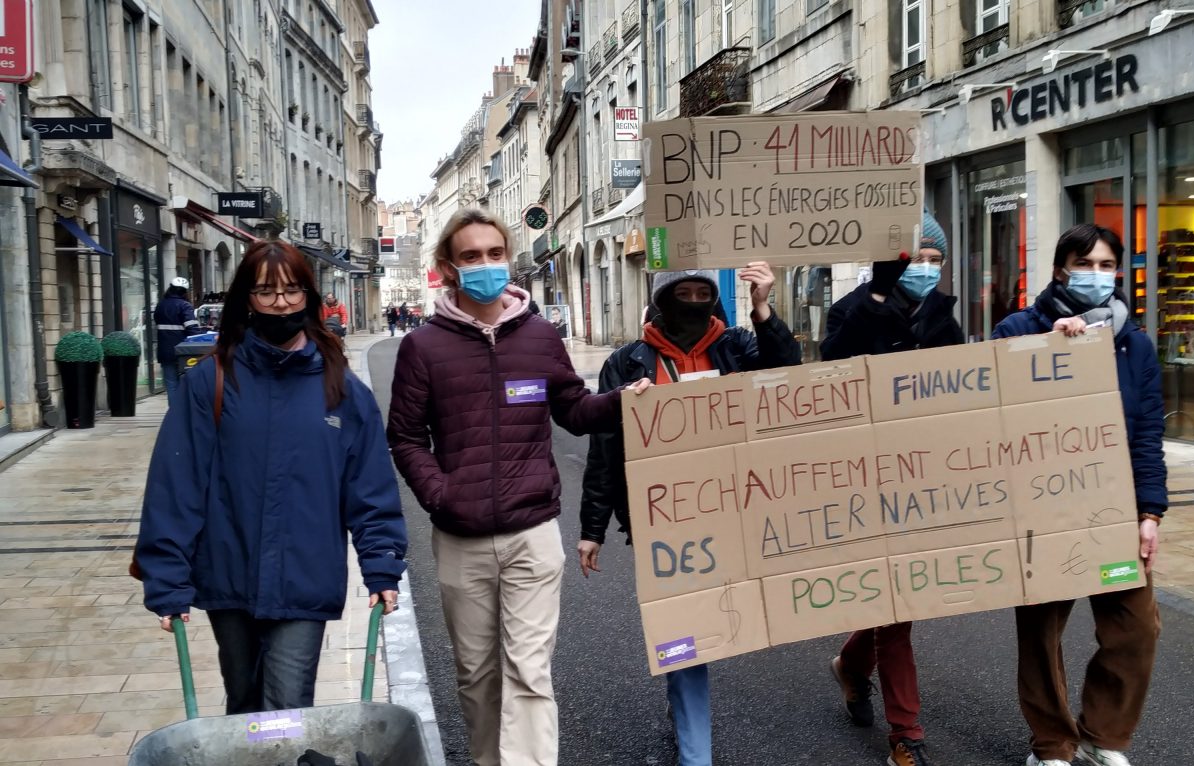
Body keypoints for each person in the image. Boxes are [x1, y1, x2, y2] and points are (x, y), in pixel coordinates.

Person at [387, 208, 650, 766]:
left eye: (494, 254)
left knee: (528, 671)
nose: (485, 265)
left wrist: (622, 401)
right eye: (471, 257)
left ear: (508, 258)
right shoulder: (424, 348)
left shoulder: (538, 335)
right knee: (477, 674)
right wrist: (442, 495)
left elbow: (574, 411)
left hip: (533, 533)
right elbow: (406, 437)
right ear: (448, 268)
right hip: (461, 540)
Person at [135, 240, 408, 715]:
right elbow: (176, 484)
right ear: (247, 299)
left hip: (305, 576)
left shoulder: (341, 387)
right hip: (228, 571)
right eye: (266, 292)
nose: (281, 302)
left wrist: (381, 563)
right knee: (243, 701)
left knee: (287, 707)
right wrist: (166, 578)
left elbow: (369, 488)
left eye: (292, 290)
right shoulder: (212, 381)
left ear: (309, 296)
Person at [578, 265, 801, 766]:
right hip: (663, 521)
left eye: (705, 293)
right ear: (664, 299)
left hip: (735, 510)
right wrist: (593, 529)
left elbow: (785, 373)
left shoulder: (737, 346)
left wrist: (763, 307)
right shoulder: (627, 362)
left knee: (734, 618)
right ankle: (694, 749)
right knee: (683, 630)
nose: (696, 301)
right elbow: (606, 449)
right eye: (685, 292)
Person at [992, 223, 1165, 766]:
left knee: (1136, 628)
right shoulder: (1018, 329)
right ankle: (1052, 745)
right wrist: (1046, 350)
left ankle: (1101, 736)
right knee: (1042, 634)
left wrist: (1150, 512)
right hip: (1044, 508)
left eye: (1106, 265)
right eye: (1084, 264)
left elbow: (1147, 433)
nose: (1096, 275)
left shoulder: (1134, 344)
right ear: (1060, 269)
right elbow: (993, 412)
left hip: (1112, 509)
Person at [821, 210, 960, 766]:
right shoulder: (850, 311)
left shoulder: (945, 320)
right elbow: (830, 367)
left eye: (935, 260)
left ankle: (852, 664)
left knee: (901, 598)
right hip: (865, 473)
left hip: (925, 475)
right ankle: (908, 733)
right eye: (915, 259)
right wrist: (875, 304)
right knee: (897, 602)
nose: (925, 269)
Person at [154, 277, 203, 407]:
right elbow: (192, 330)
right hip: (184, 352)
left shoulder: (160, 305)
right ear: (185, 292)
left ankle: (174, 415)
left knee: (171, 386)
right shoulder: (184, 306)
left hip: (165, 352)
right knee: (187, 384)